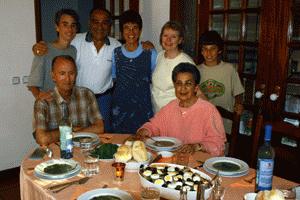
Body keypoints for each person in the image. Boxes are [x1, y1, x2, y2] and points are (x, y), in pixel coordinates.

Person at [32, 8, 154, 133]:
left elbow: (130, 53)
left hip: (104, 99)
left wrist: (146, 45)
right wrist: (39, 46)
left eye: (104, 22)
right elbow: (58, 46)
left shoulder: (116, 46)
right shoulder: (76, 40)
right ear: (90, 23)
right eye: (95, 22)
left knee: (104, 134)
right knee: (79, 134)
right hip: (79, 99)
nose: (100, 26)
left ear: (110, 26)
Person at [137, 62, 226, 156]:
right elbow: (154, 125)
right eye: (179, 83)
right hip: (173, 161)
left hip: (199, 163)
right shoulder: (170, 107)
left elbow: (218, 144)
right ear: (174, 86)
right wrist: (145, 130)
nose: (183, 88)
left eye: (188, 83)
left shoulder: (209, 110)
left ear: (196, 88)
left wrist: (197, 146)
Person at [34, 55, 104, 146]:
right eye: (62, 73)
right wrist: (72, 130)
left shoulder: (87, 94)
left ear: (76, 74)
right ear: (53, 76)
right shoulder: (43, 102)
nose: (67, 79)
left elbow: (100, 127)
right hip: (57, 153)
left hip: (85, 149)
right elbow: (42, 139)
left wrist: (66, 133)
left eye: (71, 73)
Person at [111, 10, 157, 133]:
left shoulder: (150, 53)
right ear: (121, 31)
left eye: (135, 28)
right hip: (120, 111)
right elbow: (115, 80)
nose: (131, 32)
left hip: (142, 110)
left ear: (140, 30)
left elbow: (154, 80)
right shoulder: (116, 53)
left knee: (143, 146)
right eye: (127, 28)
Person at [198, 30, 245, 133]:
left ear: (219, 50)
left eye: (212, 49)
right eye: (205, 49)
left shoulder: (229, 69)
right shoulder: (196, 71)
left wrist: (239, 104)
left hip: (226, 122)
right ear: (201, 51)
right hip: (203, 122)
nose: (208, 53)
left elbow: (238, 92)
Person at [27, 9, 79, 101]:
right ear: (57, 27)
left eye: (73, 25)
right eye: (65, 24)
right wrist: (39, 96)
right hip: (50, 102)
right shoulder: (44, 49)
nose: (70, 29)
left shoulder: (73, 50)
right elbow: (32, 83)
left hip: (68, 101)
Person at [151, 21, 196, 113]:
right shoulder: (159, 56)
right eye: (165, 36)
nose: (168, 40)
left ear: (180, 40)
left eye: (173, 37)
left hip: (176, 114)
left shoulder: (186, 62)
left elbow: (195, 92)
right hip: (157, 113)